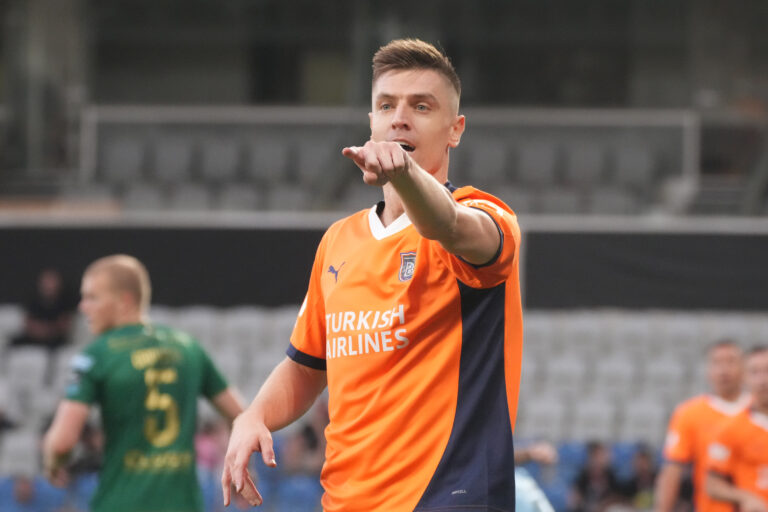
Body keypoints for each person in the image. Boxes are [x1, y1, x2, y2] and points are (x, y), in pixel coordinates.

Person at [223, 38, 523, 511]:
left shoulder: (484, 216)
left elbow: (444, 223)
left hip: (448, 497)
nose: (399, 117)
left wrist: (404, 171)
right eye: (386, 105)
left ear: (455, 129)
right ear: (371, 122)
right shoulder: (338, 241)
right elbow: (306, 365)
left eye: (421, 106)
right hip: (346, 501)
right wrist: (253, 415)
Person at [42, 254, 245, 512]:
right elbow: (241, 416)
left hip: (121, 503)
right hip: (183, 505)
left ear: (124, 301)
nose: (83, 307)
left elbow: (62, 442)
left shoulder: (97, 355)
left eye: (93, 297)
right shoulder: (189, 348)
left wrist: (53, 461)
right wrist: (243, 468)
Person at [654, 340, 750, 512]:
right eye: (717, 362)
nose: (724, 370)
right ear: (708, 370)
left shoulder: (758, 411)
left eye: (731, 361)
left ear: (744, 369)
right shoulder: (689, 413)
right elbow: (673, 469)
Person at [705, 345, 768, 512]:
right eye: (755, 372)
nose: (763, 380)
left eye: (767, 371)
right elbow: (712, 484)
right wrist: (745, 497)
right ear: (745, 377)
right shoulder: (730, 428)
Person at [10, 268, 76, 351]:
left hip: (54, 338)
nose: (49, 285)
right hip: (34, 336)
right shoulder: (33, 301)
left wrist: (48, 331)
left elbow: (64, 325)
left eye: (52, 282)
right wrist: (39, 331)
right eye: (46, 282)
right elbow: (28, 323)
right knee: (14, 342)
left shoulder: (65, 302)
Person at [569, 441, 624, 512]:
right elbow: (574, 502)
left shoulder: (614, 479)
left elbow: (618, 502)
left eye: (602, 456)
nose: (599, 460)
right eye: (596, 456)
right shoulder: (582, 478)